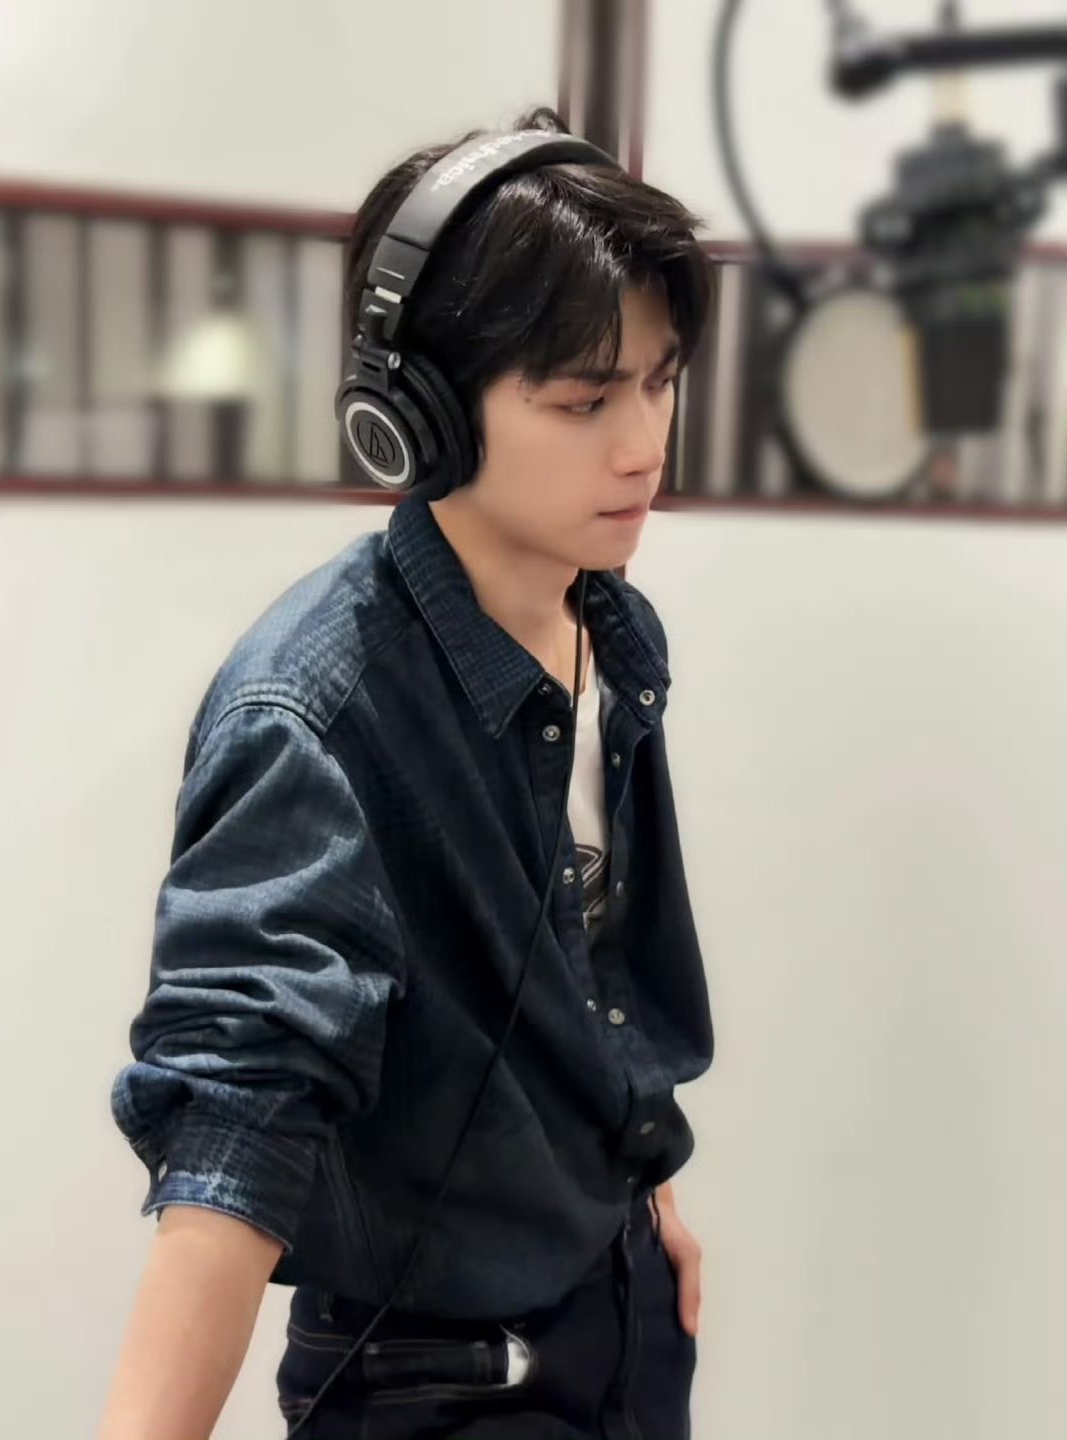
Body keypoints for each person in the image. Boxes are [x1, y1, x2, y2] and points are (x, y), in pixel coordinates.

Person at [99, 105, 715, 1440]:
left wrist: (646, 1196)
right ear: (417, 416)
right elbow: (242, 1116)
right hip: (438, 1384)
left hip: (619, 1333)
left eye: (660, 383)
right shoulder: (312, 716)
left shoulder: (614, 628)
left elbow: (588, 972)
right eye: (584, 399)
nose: (642, 444)